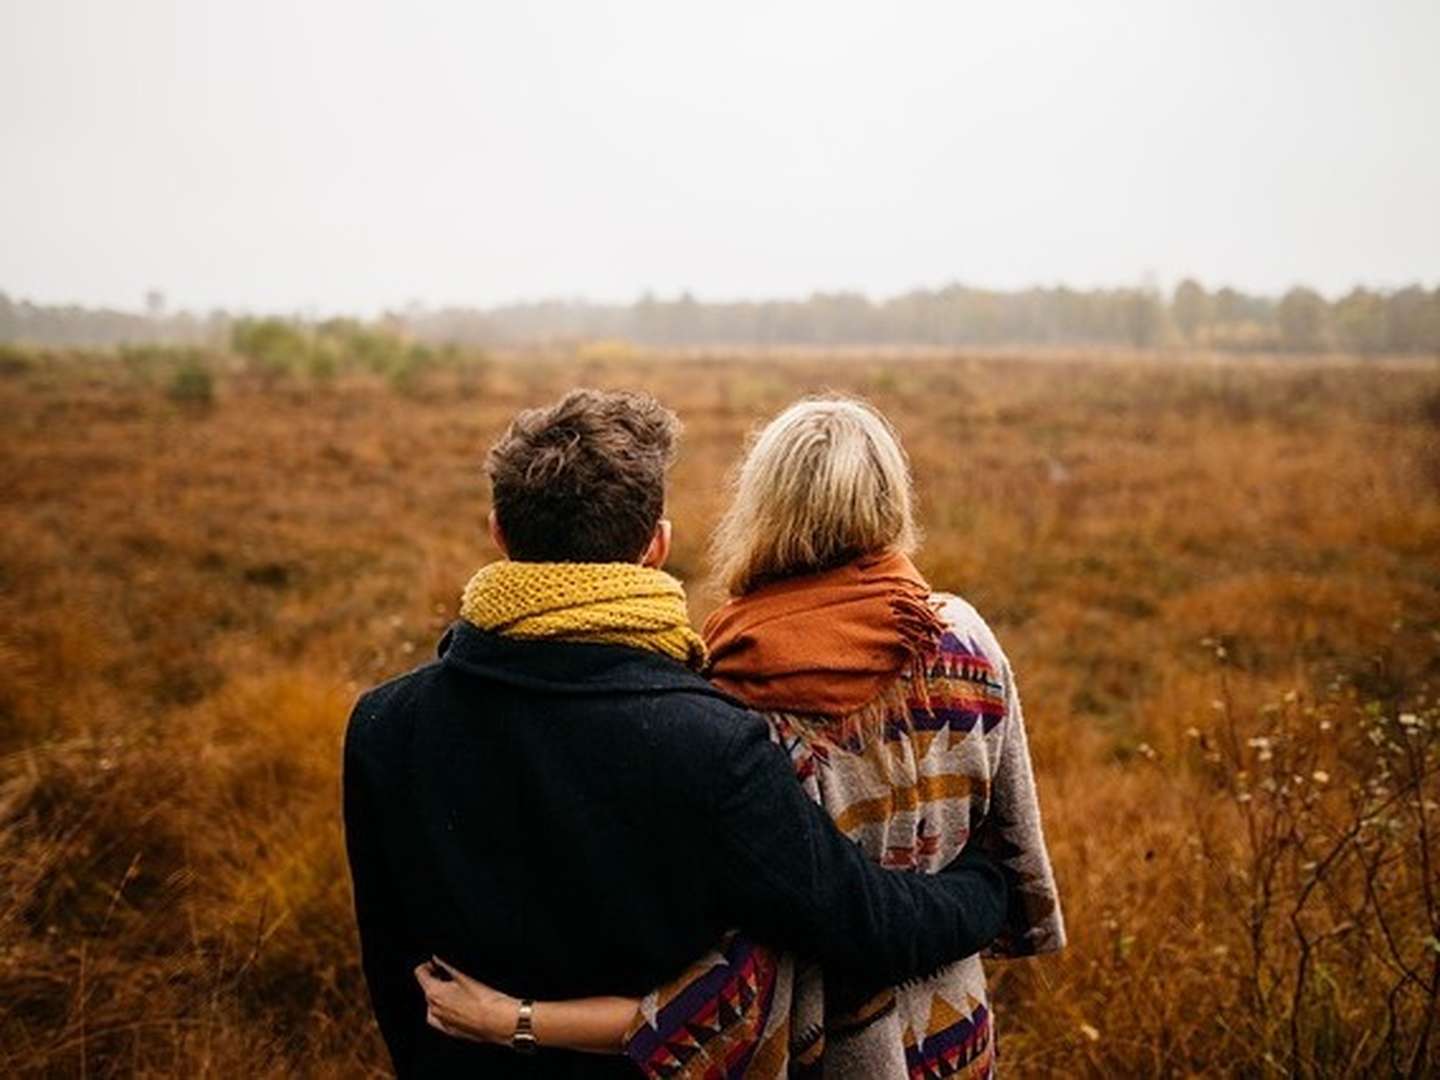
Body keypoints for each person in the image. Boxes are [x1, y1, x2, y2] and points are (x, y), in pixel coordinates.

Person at [343, 389, 1011, 1079]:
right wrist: (988, 889)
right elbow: (864, 923)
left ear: (498, 533)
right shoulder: (712, 741)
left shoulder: (381, 726)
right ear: (657, 545)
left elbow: (394, 978)